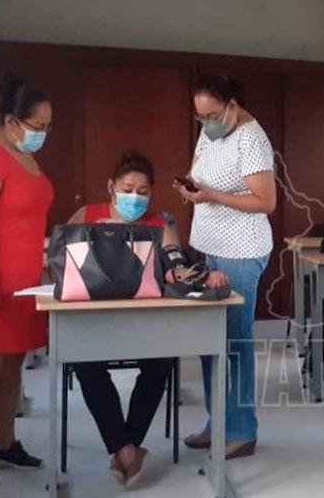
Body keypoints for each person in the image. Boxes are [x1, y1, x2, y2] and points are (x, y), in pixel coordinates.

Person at [67, 150, 229, 488]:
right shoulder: (87, 216)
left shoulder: (159, 225)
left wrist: (201, 275)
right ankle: (128, 449)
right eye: (128, 190)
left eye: (143, 192)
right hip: (95, 323)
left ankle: (124, 449)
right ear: (111, 187)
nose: (135, 198)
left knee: (160, 362)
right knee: (86, 365)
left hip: (147, 325)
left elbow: (176, 266)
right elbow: (62, 258)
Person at [178, 74, 276, 459]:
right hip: (210, 247)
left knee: (234, 341)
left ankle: (242, 430)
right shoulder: (211, 132)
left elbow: (265, 201)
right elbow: (199, 172)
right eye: (200, 117)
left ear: (232, 106)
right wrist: (191, 190)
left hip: (242, 249)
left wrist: (212, 196)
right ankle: (217, 422)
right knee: (210, 339)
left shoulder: (252, 139)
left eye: (212, 115)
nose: (206, 123)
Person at [0, 73, 53, 489]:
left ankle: (4, 444)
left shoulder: (22, 152)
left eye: (47, 126)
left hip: (23, 287)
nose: (43, 134)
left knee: (10, 368)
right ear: (11, 122)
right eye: (37, 126)